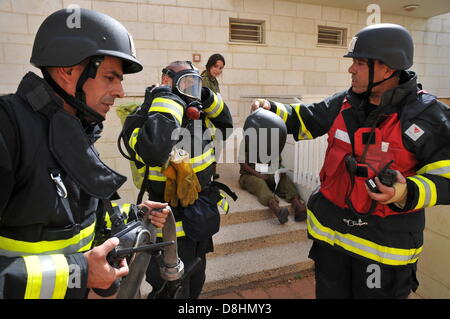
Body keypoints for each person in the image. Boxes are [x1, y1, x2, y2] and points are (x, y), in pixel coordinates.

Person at [251, 23, 450, 298]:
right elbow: (306, 119)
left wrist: (407, 191)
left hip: (382, 254)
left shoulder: (428, 116)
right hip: (332, 244)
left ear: (388, 68)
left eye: (358, 62)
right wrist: (271, 109)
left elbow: (446, 181)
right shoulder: (345, 102)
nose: (350, 69)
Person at [0, 8, 170, 299]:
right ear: (67, 71)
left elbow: (68, 220)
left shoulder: (75, 129)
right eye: (110, 77)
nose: (120, 92)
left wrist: (131, 216)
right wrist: (78, 272)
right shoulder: (7, 130)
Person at [121, 60, 233, 298]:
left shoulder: (199, 118)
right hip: (166, 227)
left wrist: (202, 93)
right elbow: (152, 148)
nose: (189, 89)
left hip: (199, 223)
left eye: (194, 84)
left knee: (196, 281)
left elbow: (225, 122)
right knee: (168, 290)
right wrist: (164, 102)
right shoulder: (146, 119)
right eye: (184, 83)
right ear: (165, 81)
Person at [239, 154, 307, 224]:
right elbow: (244, 165)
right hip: (249, 174)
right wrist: (259, 175)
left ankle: (297, 205)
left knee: (284, 179)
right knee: (259, 183)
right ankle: (276, 209)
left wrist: (280, 170)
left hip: (267, 171)